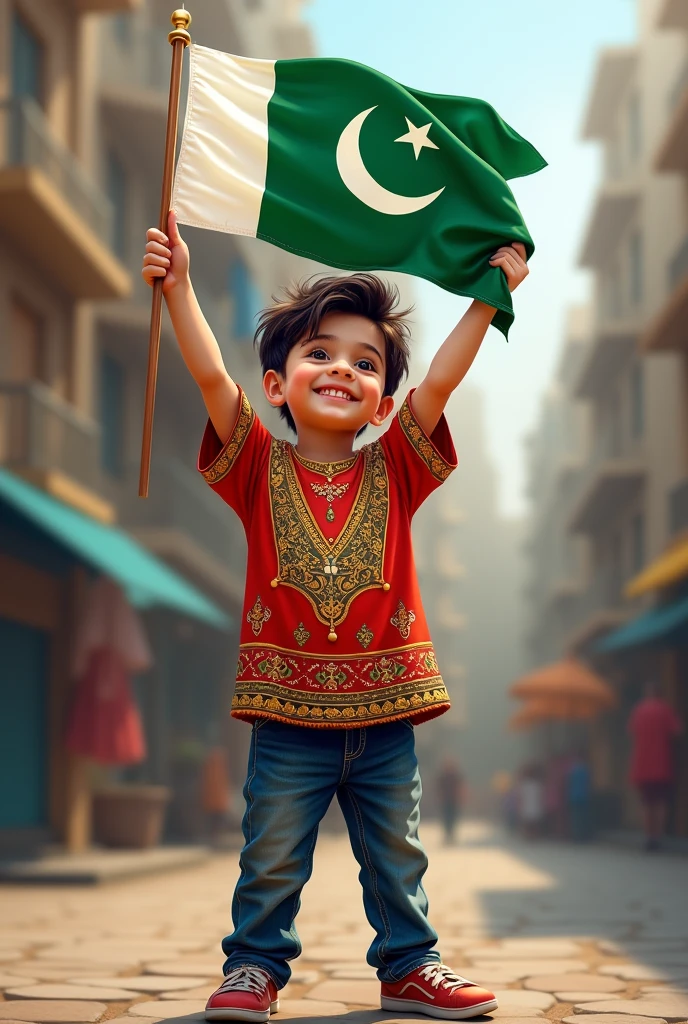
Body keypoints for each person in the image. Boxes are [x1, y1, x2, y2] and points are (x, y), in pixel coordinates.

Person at [142, 210, 528, 1022]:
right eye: (319, 354)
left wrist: (488, 296)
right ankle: (253, 970)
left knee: (398, 854)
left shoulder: (399, 467)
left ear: (385, 399)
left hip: (388, 710)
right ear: (277, 384)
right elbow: (215, 379)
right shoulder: (253, 464)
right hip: (285, 716)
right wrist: (178, 287)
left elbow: (446, 380)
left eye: (365, 362)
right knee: (272, 853)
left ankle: (410, 967)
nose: (341, 370)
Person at [628, 683, 684, 852]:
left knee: (646, 803)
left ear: (647, 693)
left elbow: (632, 731)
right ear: (660, 694)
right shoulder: (666, 710)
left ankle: (648, 837)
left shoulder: (638, 710)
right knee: (660, 803)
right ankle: (658, 837)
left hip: (642, 764)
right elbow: (677, 732)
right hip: (661, 764)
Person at [436, 756, 464, 845]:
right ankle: (447, 835)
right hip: (445, 800)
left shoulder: (456, 775)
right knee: (446, 819)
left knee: (453, 818)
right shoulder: (442, 776)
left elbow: (461, 787)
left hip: (454, 800)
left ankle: (451, 835)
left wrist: (460, 796)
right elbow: (438, 788)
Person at [566, 751, 592, 843]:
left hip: (574, 796)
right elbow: (588, 783)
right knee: (582, 817)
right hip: (583, 796)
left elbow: (569, 783)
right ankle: (581, 836)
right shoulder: (585, 769)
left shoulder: (573, 770)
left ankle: (577, 836)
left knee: (576, 818)